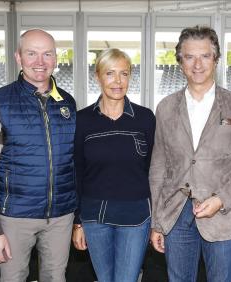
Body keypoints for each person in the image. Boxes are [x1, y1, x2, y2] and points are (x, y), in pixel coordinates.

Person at [149, 25, 231, 281]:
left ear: (216, 59)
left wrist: (221, 199)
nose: (197, 64)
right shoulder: (166, 108)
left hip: (224, 216)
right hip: (176, 215)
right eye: (189, 56)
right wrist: (157, 222)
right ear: (180, 61)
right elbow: (158, 168)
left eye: (205, 56)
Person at [0, 29, 77, 281]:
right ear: (18, 57)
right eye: (31, 53)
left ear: (55, 58)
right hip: (15, 217)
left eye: (47, 54)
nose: (40, 62)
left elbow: (73, 163)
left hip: (61, 216)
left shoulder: (68, 102)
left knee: (56, 277)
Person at [71, 48, 155, 282]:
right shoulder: (82, 120)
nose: (118, 81)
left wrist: (157, 220)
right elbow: (77, 172)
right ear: (97, 76)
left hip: (136, 215)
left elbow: (154, 170)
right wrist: (77, 221)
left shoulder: (146, 118)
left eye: (124, 74)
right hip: (94, 216)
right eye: (110, 73)